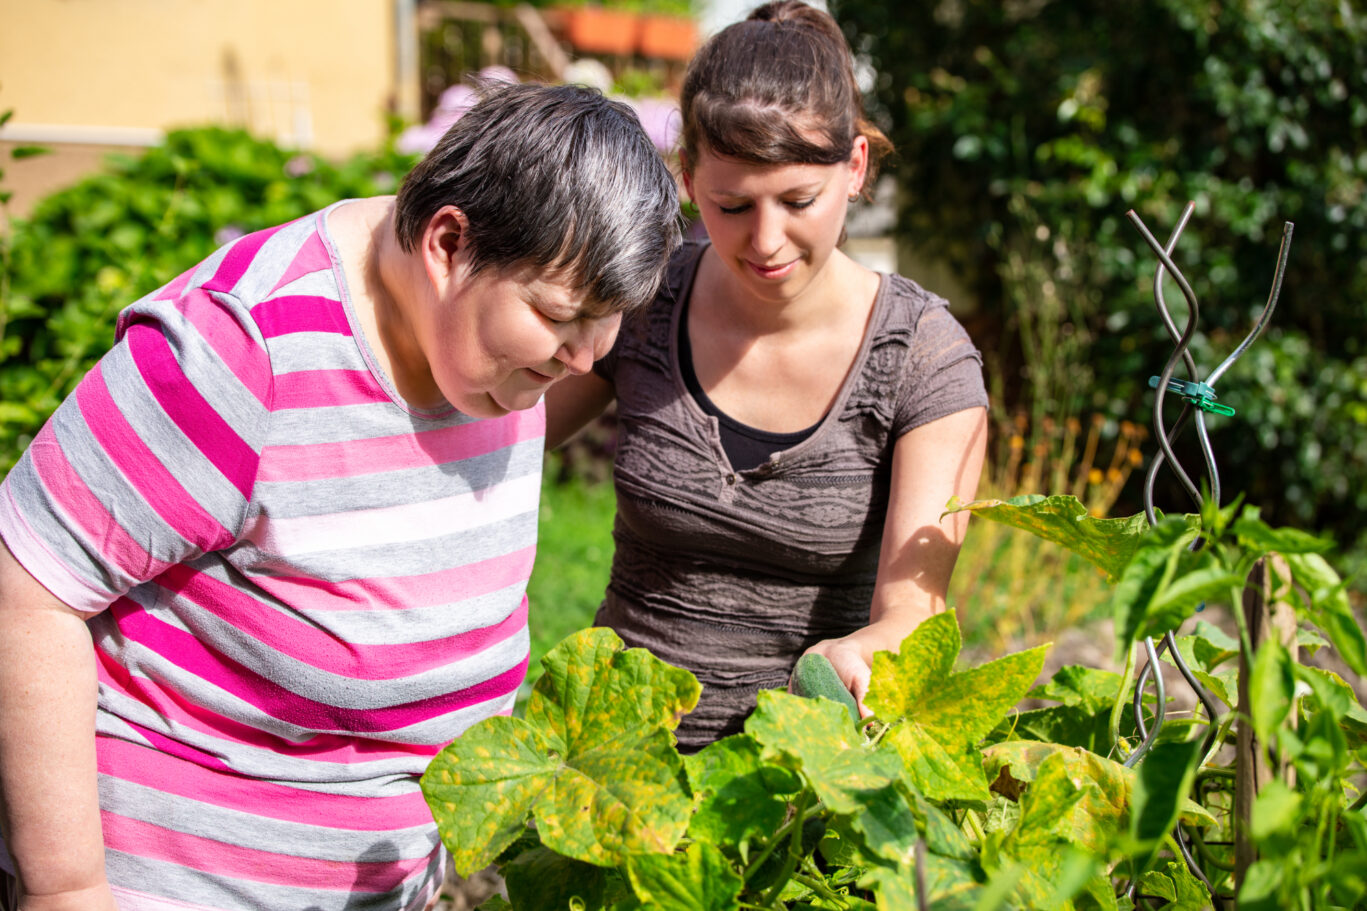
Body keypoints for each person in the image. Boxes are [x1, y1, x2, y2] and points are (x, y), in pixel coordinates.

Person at [0, 82, 680, 911]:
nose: (583, 360)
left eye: (608, 320)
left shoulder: (493, 358)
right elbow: (25, 590)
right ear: (447, 242)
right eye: (559, 315)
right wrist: (67, 889)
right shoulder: (241, 348)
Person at [546, 0, 990, 752]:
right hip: (615, 773)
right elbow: (499, 435)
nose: (764, 240)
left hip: (799, 795)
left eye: (796, 201)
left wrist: (864, 648)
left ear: (853, 168)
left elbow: (915, 610)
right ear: (687, 178)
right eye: (731, 204)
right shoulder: (646, 300)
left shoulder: (923, 357)